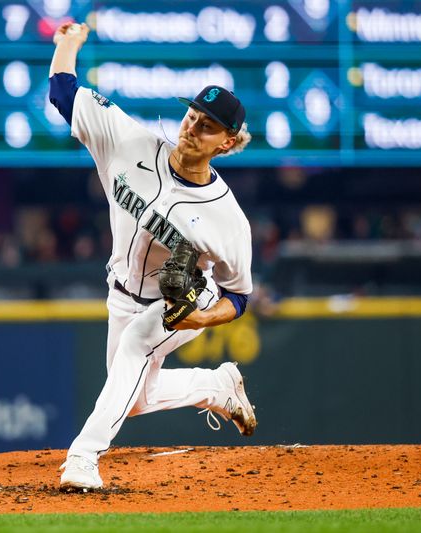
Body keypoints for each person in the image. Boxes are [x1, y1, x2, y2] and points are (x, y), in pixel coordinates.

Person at [49, 22, 257, 491]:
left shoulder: (228, 219)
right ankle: (217, 386)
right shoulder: (129, 144)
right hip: (121, 291)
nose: (193, 128)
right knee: (135, 396)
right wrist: (69, 41)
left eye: (208, 127)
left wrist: (200, 321)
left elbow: (240, 297)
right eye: (192, 116)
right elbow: (64, 91)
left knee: (135, 348)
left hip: (181, 301)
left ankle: (83, 458)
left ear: (226, 143)